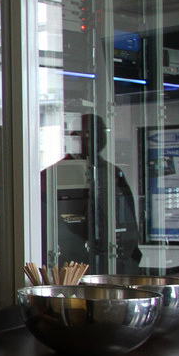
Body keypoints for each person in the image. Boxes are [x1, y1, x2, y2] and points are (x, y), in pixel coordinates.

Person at [41, 113, 141, 273]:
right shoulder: (53, 175)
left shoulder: (112, 173)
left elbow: (128, 223)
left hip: (111, 264)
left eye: (101, 132)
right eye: (89, 133)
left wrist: (130, 259)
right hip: (70, 266)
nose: (97, 138)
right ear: (75, 137)